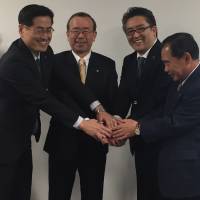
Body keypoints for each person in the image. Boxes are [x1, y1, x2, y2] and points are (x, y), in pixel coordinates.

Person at [0, 5, 111, 200]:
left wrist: (98, 107)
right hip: (4, 141)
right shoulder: (13, 63)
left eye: (48, 29)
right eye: (39, 30)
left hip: (21, 139)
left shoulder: (44, 51)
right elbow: (43, 99)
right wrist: (83, 123)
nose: (45, 36)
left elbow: (70, 81)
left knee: (21, 192)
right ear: (21, 29)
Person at [114, 32, 200, 200]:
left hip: (188, 176)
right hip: (172, 171)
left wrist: (137, 128)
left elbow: (176, 122)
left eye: (167, 63)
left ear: (186, 58)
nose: (165, 69)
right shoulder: (181, 81)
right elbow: (163, 113)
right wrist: (129, 125)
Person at [44, 12, 118, 200]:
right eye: (75, 30)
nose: (80, 36)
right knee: (58, 195)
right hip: (61, 141)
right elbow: (54, 98)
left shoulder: (108, 64)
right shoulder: (53, 62)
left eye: (86, 31)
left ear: (94, 35)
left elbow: (111, 102)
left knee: (93, 194)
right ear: (67, 34)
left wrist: (114, 123)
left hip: (95, 144)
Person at [112, 7, 171, 200]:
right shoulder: (129, 61)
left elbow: (169, 104)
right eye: (130, 31)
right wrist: (116, 122)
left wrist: (134, 126)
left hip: (164, 142)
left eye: (140, 29)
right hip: (140, 142)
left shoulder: (169, 58)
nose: (135, 35)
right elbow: (123, 96)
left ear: (154, 30)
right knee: (145, 193)